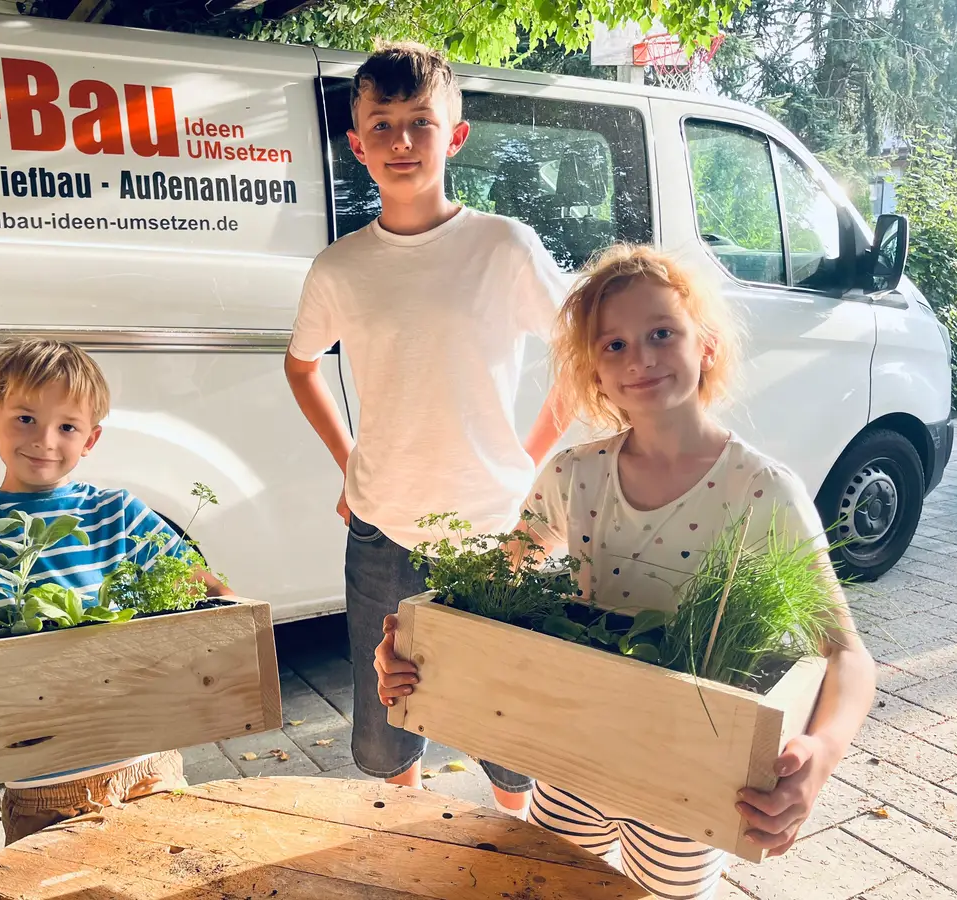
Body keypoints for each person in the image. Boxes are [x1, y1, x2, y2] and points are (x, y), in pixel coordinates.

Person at [372, 245, 877, 899]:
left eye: (661, 333)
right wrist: (417, 639)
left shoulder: (760, 491)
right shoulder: (573, 475)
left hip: (690, 770)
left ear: (708, 346)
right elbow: (486, 594)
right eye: (612, 345)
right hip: (572, 751)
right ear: (594, 374)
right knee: (558, 885)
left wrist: (822, 754)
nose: (639, 357)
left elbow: (847, 655)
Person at [284, 40, 573, 819]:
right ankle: (404, 841)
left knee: (513, 738)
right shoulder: (340, 268)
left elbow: (583, 357)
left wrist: (529, 456)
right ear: (356, 144)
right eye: (382, 124)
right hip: (382, 531)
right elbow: (302, 364)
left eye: (421, 122)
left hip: (498, 531)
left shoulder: (502, 246)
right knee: (384, 736)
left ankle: (516, 847)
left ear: (455, 135)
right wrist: (349, 466)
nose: (402, 142)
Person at [0, 338, 231, 843]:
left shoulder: (117, 514)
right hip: (38, 788)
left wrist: (218, 643)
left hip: (148, 766)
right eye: (26, 419)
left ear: (90, 439)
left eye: (67, 427)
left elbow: (213, 594)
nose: (46, 441)